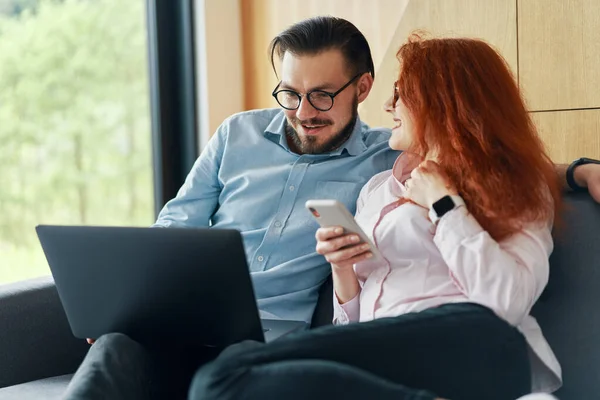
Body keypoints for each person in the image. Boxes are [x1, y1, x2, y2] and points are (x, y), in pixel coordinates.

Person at [63, 16, 600, 400]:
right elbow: (177, 223)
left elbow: (494, 167)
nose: (303, 111)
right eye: (290, 94)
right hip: (236, 329)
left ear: (360, 87)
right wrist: (343, 269)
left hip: (317, 334)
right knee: (120, 348)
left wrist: (576, 170)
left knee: (226, 375)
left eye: (322, 95)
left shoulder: (388, 162)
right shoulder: (370, 184)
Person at [188, 33, 564, 400]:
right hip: (388, 352)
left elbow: (505, 300)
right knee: (224, 376)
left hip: (474, 340)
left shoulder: (515, 185)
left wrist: (445, 205)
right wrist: (342, 267)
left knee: (225, 373)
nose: (388, 105)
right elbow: (353, 325)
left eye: (401, 94)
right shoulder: (380, 186)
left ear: (446, 103)